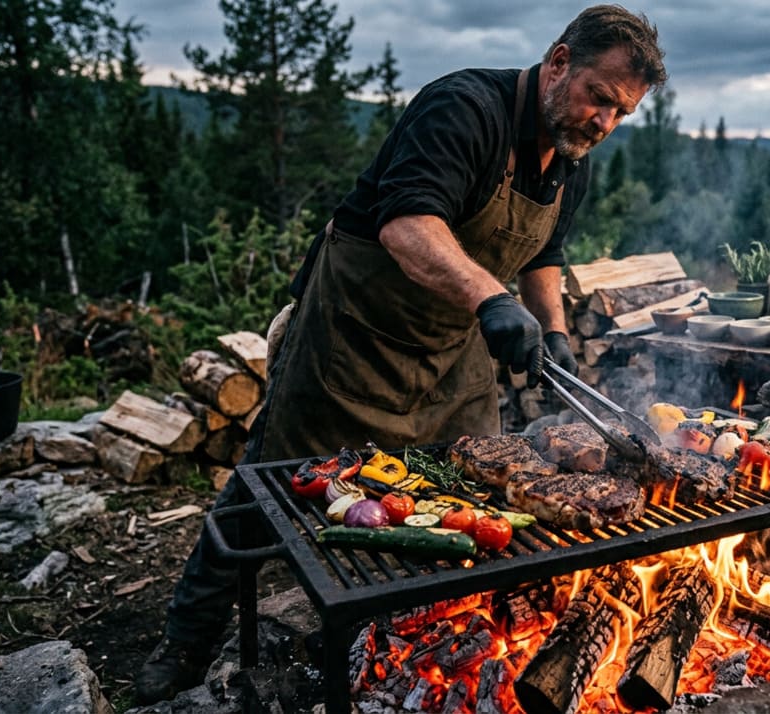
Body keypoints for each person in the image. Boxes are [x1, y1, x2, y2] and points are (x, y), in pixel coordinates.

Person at [134, 4, 667, 703]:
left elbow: (544, 255)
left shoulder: (567, 158)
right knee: (271, 486)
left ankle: (404, 636)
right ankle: (185, 639)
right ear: (560, 61)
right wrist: (491, 302)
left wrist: (557, 334)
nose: (604, 122)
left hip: (448, 352)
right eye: (600, 97)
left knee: (466, 491)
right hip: (353, 335)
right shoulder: (462, 108)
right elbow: (408, 225)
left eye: (621, 113)